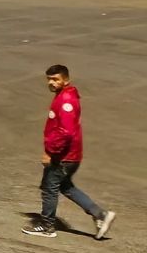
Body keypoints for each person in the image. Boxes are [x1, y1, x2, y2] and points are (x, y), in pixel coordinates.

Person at [22, 65, 117, 240]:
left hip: (63, 156)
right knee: (65, 186)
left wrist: (51, 152)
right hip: (70, 155)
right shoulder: (65, 95)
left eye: (56, 79)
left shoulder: (66, 100)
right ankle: (100, 215)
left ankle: (47, 226)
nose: (52, 82)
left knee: (49, 188)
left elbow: (66, 132)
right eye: (49, 79)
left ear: (66, 80)